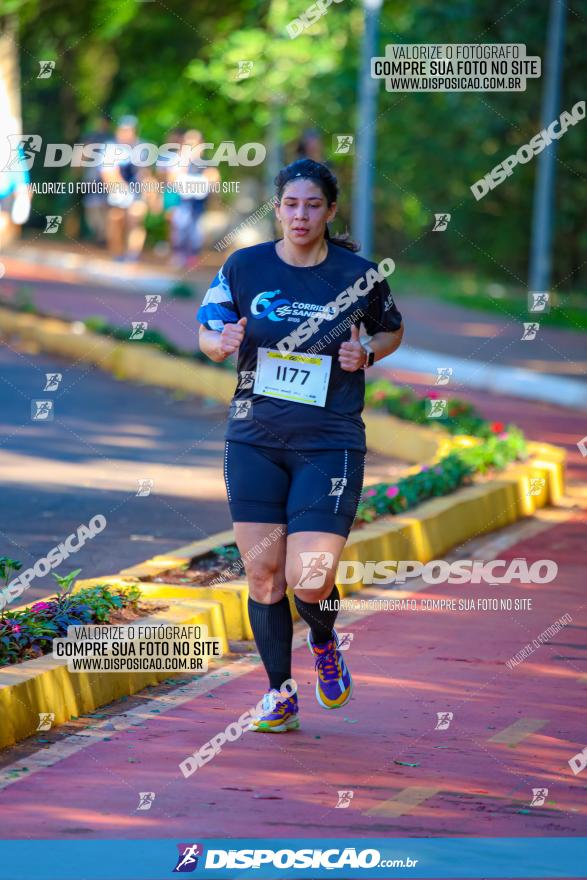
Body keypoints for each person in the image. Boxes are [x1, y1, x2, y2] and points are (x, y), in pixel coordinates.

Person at [197, 159, 404, 733]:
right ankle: (278, 692)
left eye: (313, 205)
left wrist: (369, 353)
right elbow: (207, 331)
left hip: (330, 441)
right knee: (263, 574)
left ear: (330, 212)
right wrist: (223, 340)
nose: (300, 215)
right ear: (278, 208)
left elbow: (390, 326)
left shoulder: (358, 275)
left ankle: (324, 639)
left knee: (309, 577)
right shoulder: (245, 265)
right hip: (255, 438)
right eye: (290, 204)